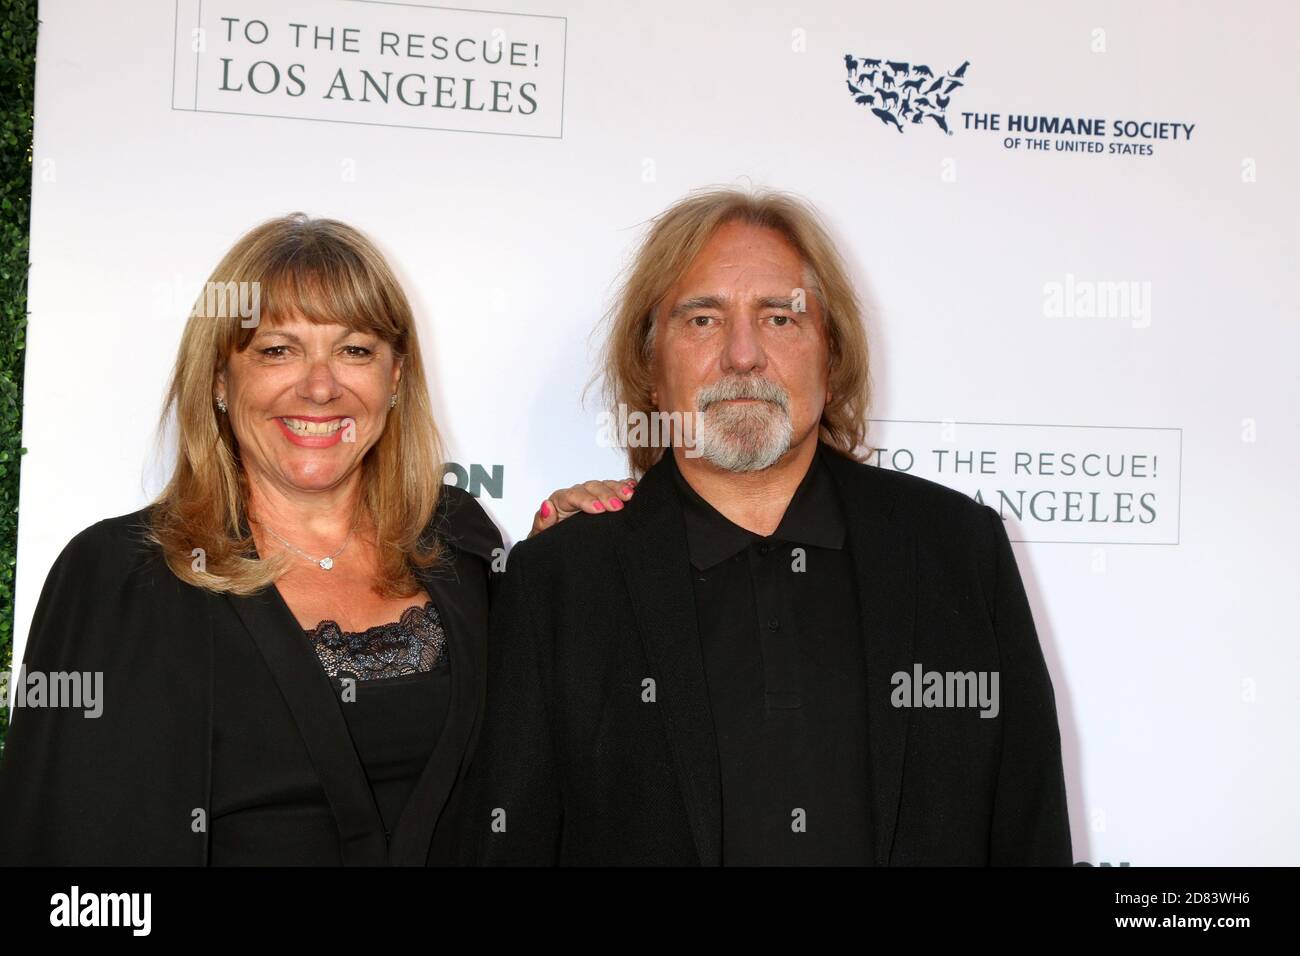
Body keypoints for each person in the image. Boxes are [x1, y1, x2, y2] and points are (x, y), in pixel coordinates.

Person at [466, 187, 1073, 865]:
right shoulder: (562, 583)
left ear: (833, 356)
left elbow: (1030, 830)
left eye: (781, 318)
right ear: (649, 369)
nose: (743, 355)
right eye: (702, 320)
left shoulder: (959, 552)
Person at [0, 213, 630, 865]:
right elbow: (67, 854)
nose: (321, 386)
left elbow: (534, 774)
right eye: (278, 350)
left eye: (355, 349)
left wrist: (551, 569)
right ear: (220, 378)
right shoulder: (120, 578)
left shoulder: (460, 541)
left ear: (396, 377)